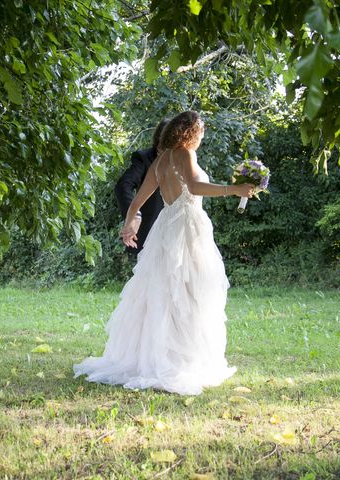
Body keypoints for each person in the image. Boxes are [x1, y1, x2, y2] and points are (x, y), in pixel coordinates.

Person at [74, 111, 255, 395]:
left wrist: (129, 225)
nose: (203, 135)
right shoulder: (185, 154)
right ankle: (181, 360)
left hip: (165, 226)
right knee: (189, 290)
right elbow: (194, 187)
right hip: (186, 226)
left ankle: (156, 356)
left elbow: (136, 201)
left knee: (162, 289)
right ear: (190, 132)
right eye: (201, 130)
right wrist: (234, 189)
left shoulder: (160, 162)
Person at [114, 118, 169, 253]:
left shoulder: (186, 160)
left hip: (179, 230)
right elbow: (123, 185)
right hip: (151, 233)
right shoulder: (144, 158)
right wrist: (134, 216)